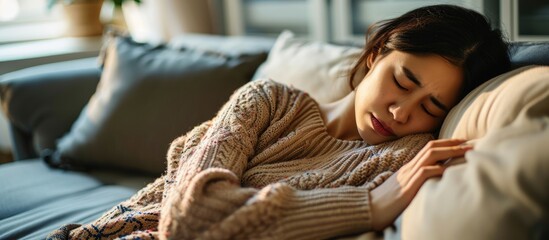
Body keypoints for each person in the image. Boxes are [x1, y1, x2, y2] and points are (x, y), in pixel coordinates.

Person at [48, 4, 510, 240]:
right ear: (374, 56)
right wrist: (365, 206)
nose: (401, 113)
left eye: (431, 108)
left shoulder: (403, 158)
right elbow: (191, 216)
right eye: (403, 81)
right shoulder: (267, 100)